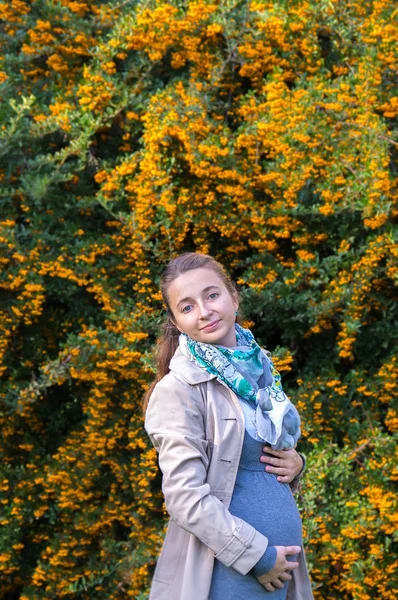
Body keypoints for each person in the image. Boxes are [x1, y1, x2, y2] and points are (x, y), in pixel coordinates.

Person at [143, 252, 313, 600]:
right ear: (176, 321)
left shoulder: (259, 372)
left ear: (234, 297)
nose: (204, 311)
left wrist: (296, 464)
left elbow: (255, 466)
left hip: (278, 572)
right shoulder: (179, 390)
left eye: (212, 295)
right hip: (230, 574)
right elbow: (184, 497)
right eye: (187, 307)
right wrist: (259, 557)